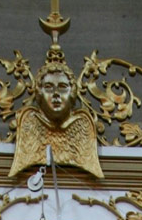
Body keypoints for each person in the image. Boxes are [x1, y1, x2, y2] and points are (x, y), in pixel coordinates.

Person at [9, 49, 103, 179]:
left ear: (72, 93)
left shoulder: (83, 124)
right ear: (39, 94)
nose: (56, 94)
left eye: (62, 87)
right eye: (48, 87)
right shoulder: (30, 121)